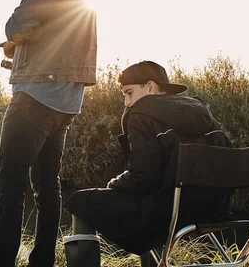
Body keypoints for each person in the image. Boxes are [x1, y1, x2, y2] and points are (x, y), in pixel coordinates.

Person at [0, 0, 97, 267]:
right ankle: (42, 262)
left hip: (35, 97)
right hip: (65, 103)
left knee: (9, 185)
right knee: (47, 187)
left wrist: (12, 36)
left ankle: (1, 262)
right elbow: (48, 32)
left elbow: (19, 22)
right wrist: (18, 44)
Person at [62, 61, 232, 267]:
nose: (126, 102)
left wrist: (114, 184)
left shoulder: (141, 114)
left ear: (150, 87)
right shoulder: (202, 113)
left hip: (170, 214)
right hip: (214, 211)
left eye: (129, 93)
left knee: (81, 202)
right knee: (150, 197)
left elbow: (142, 176)